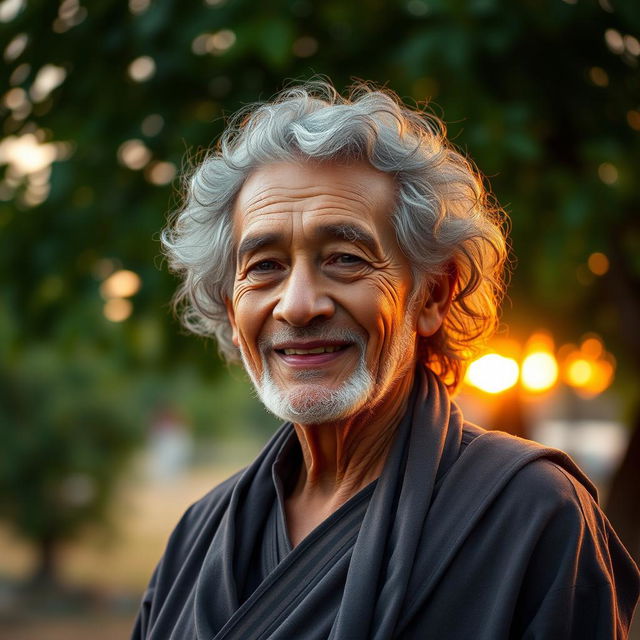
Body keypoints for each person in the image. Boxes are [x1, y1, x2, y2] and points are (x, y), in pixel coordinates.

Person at [132, 81, 639, 639]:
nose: (299, 305)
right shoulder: (199, 535)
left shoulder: (530, 514)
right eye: (265, 266)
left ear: (433, 296)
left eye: (346, 259)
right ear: (232, 307)